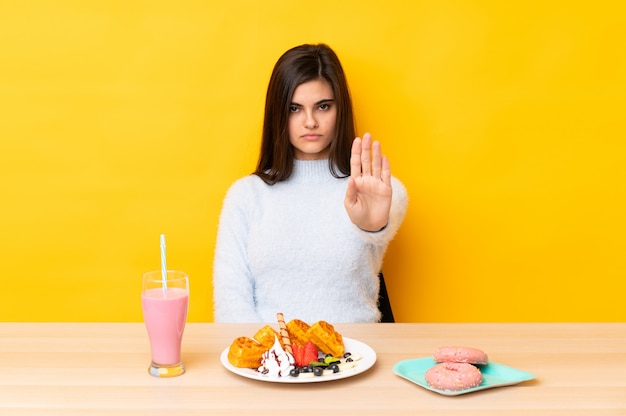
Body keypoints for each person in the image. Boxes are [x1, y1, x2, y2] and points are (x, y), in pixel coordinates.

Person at [213, 43, 408, 323]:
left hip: (357, 357)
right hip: (271, 361)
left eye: (323, 106)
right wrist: (270, 361)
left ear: (340, 110)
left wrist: (372, 225)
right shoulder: (246, 196)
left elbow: (390, 208)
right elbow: (232, 305)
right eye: (294, 108)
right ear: (278, 113)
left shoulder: (375, 191)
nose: (310, 122)